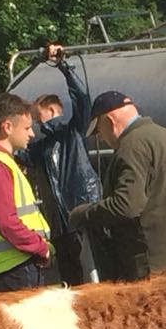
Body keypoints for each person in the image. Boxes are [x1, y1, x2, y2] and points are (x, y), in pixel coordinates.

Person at [67, 92, 166, 281]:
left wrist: (82, 214)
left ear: (109, 121)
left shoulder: (132, 146)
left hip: (156, 264)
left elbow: (126, 205)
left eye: (99, 131)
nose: (101, 139)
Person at [22, 43, 104, 284]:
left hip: (81, 215)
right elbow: (15, 152)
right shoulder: (41, 148)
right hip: (59, 225)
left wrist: (64, 66)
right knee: (70, 280)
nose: (37, 124)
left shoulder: (73, 133)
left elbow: (83, 100)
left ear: (52, 110)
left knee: (92, 275)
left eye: (38, 117)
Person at [0, 94, 54, 293]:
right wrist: (40, 247)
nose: (31, 134)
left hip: (15, 264)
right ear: (7, 127)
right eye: (27, 128)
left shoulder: (0, 161)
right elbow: (7, 222)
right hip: (15, 267)